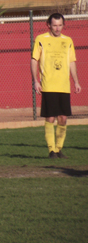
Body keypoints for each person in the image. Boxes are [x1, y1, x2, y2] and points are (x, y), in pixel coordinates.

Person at [31, 13, 82, 159]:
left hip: (64, 86)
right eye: (54, 25)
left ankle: (59, 150)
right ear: (48, 25)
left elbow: (72, 62)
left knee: (63, 118)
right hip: (48, 85)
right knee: (50, 119)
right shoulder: (41, 39)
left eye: (60, 25)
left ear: (63, 25)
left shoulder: (68, 41)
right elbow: (34, 60)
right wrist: (35, 80)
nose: (57, 28)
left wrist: (76, 81)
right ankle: (51, 150)